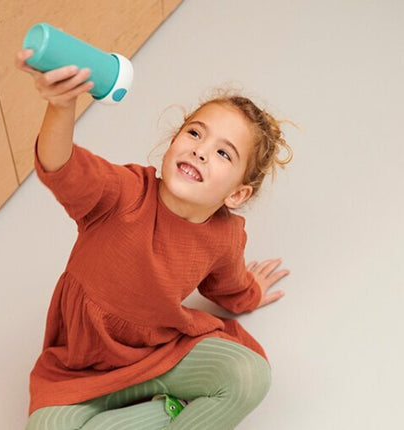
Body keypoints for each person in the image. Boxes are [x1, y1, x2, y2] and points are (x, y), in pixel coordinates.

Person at [16, 48, 292, 430]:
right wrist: (62, 107)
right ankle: (165, 411)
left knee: (249, 377)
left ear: (236, 195)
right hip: (80, 370)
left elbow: (228, 285)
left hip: (159, 354)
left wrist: (252, 294)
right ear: (173, 140)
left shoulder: (225, 235)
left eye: (223, 153)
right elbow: (60, 165)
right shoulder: (123, 193)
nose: (200, 149)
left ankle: (170, 408)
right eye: (195, 133)